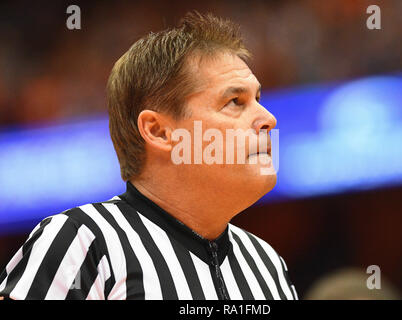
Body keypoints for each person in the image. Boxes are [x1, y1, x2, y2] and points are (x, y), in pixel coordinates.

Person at [0, 11, 297, 300]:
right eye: (235, 101)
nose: (268, 118)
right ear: (158, 131)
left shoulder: (268, 265)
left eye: (257, 98)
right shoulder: (83, 240)